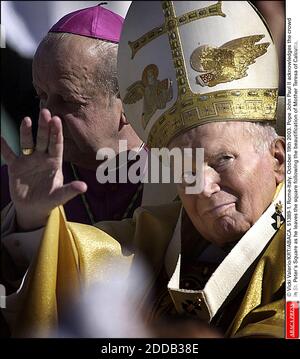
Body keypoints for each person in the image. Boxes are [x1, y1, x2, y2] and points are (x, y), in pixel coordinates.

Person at [1, 1, 285, 338]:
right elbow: (75, 259)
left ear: (278, 158)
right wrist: (32, 219)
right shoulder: (159, 232)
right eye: (184, 169)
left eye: (222, 160)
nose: (202, 185)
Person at [1, 4, 176, 224]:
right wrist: (26, 220)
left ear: (130, 105)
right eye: (41, 96)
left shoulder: (178, 182)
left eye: (68, 100)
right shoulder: (15, 185)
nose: (47, 115)